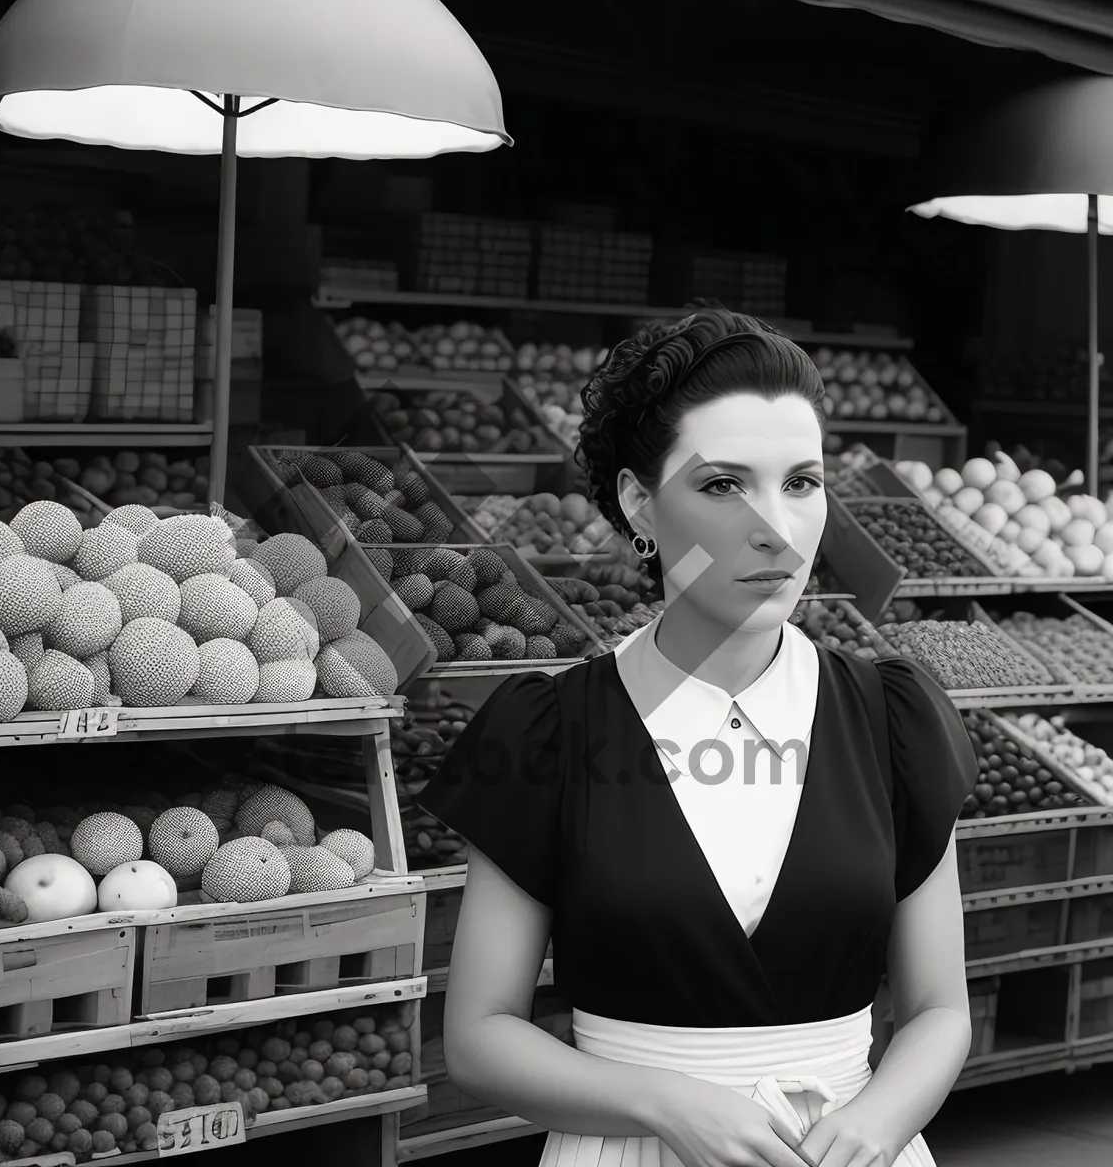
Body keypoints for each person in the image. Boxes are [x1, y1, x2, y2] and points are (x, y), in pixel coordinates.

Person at [414, 307, 977, 1167]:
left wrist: (878, 1123)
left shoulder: (892, 717)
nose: (777, 530)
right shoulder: (548, 732)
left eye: (801, 483)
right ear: (641, 503)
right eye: (723, 485)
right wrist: (664, 1102)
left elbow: (940, 1007)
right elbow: (481, 1036)